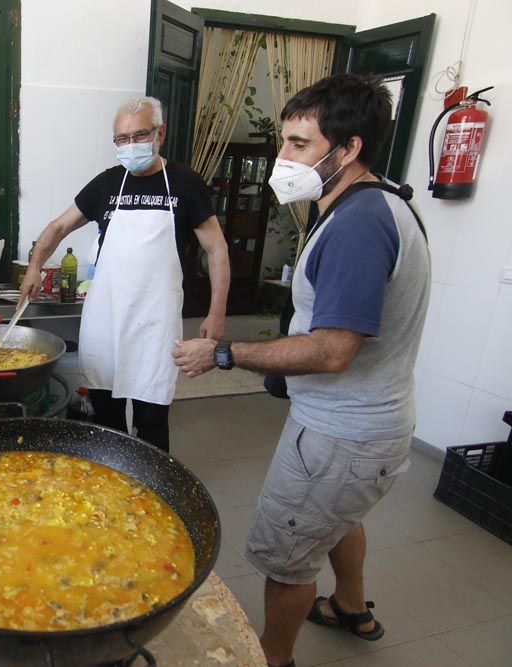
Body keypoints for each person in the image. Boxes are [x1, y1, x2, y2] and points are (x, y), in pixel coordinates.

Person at [172, 74, 430, 667]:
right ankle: (350, 606)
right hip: (375, 429)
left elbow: (332, 349)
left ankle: (274, 658)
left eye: (297, 144)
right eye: (284, 142)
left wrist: (224, 352)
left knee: (285, 557)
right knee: (338, 520)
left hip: (342, 437)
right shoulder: (384, 202)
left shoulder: (360, 224)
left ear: (349, 148)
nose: (282, 158)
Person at [20, 97, 229, 451]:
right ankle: (111, 483)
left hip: (155, 323)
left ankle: (153, 489)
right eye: (121, 139)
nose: (130, 146)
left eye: (138, 136)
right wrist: (34, 266)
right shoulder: (106, 184)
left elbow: (217, 249)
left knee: (152, 418)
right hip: (106, 318)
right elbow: (58, 227)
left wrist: (217, 312)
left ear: (159, 133)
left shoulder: (185, 184)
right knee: (106, 417)